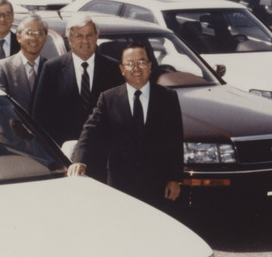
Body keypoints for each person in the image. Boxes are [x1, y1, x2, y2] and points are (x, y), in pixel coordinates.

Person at [67, 43, 184, 210]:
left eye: (142, 62)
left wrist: (175, 179)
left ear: (150, 66)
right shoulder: (108, 98)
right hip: (120, 183)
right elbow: (90, 131)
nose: (136, 68)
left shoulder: (167, 97)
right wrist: (79, 161)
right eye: (130, 63)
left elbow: (175, 139)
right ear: (122, 69)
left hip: (157, 183)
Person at [31, 13, 122, 145]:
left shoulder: (113, 68)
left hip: (103, 150)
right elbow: (40, 117)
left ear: (96, 37)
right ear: (70, 39)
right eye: (79, 35)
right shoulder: (52, 69)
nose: (85, 41)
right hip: (64, 149)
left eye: (89, 35)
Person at [0, 14, 48, 112]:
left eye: (39, 33)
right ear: (18, 37)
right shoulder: (3, 67)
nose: (34, 38)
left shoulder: (52, 68)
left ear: (45, 38)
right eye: (29, 32)